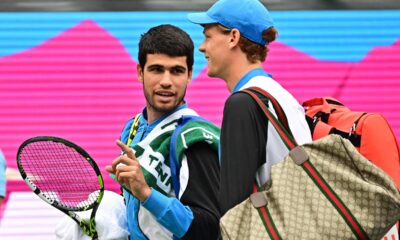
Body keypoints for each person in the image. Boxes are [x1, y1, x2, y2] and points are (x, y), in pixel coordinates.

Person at [187, 0, 312, 215]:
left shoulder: (244, 103)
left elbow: (233, 209)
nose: (202, 47)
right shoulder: (278, 96)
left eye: (208, 36)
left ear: (233, 38)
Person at [105, 24, 220, 240]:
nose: (166, 81)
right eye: (156, 69)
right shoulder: (132, 128)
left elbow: (209, 229)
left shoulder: (194, 139)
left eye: (176, 71)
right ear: (140, 72)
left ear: (189, 75)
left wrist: (147, 194)